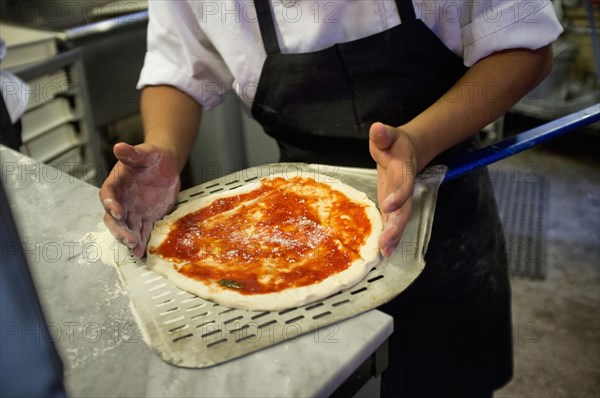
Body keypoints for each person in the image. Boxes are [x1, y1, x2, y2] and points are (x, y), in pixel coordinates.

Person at [100, 1, 563, 396]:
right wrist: (162, 146)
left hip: (443, 203)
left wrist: (419, 142)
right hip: (284, 236)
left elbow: (524, 45)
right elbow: (180, 71)